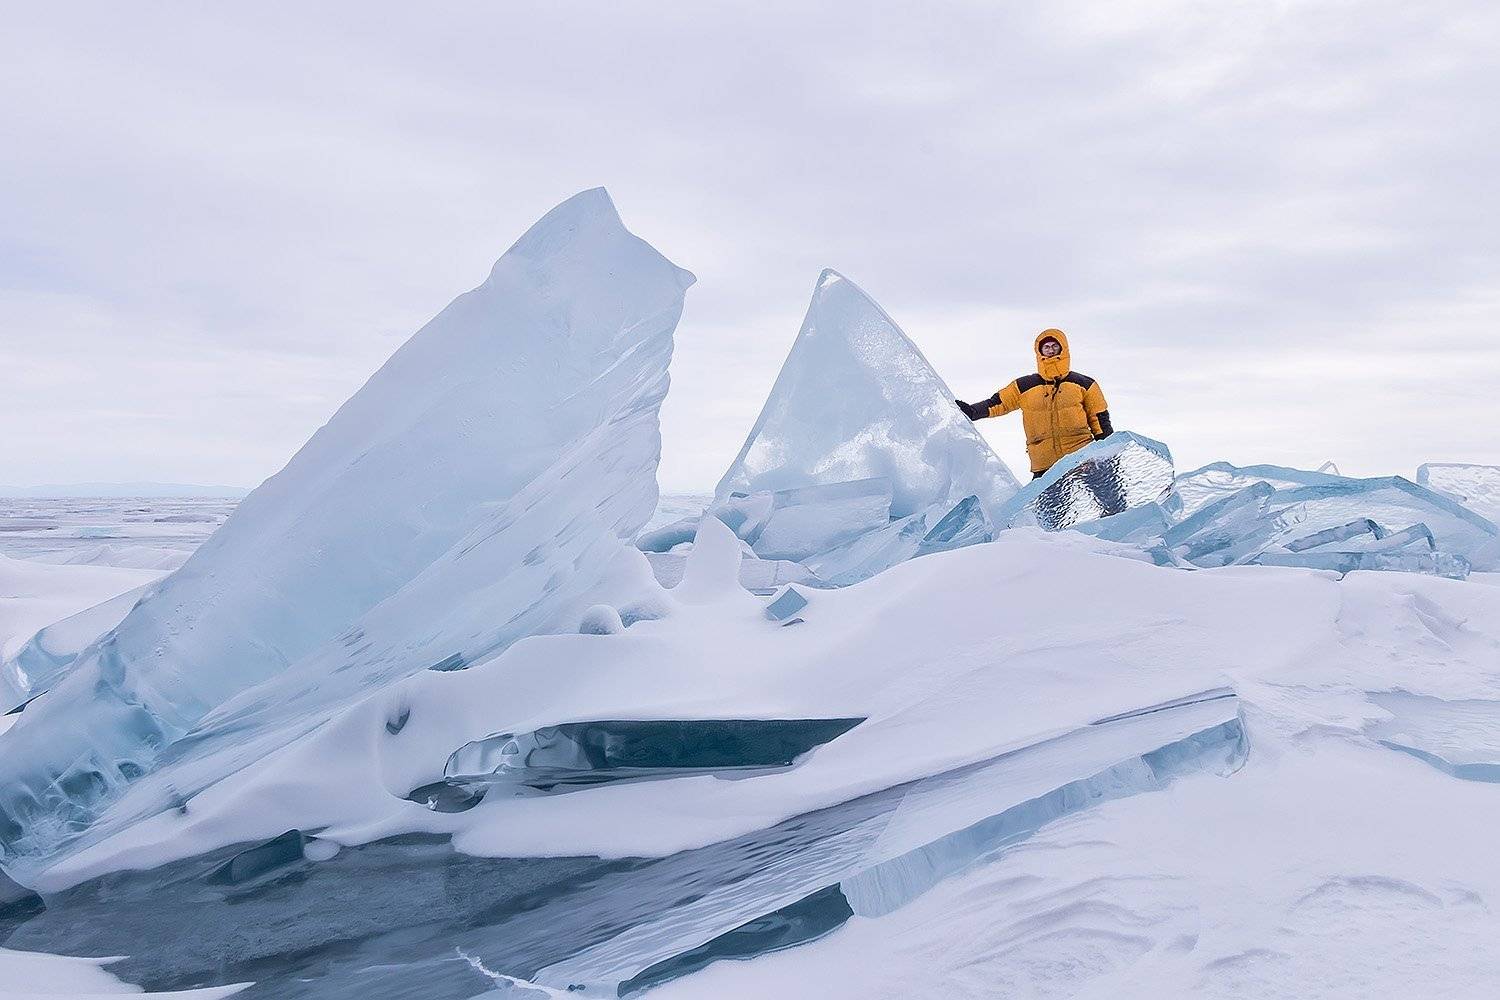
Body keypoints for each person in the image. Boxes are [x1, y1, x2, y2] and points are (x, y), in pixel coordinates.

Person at [955, 328, 1124, 515]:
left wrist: (1106, 451)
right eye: (1046, 347)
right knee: (1049, 520)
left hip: (1082, 456)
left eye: (1054, 346)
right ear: (1039, 352)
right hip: (1044, 465)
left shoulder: (1084, 383)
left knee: (1113, 504)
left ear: (1063, 349)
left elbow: (1099, 418)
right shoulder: (1024, 386)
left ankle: (1123, 532)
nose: (1050, 350)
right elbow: (997, 403)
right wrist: (971, 412)